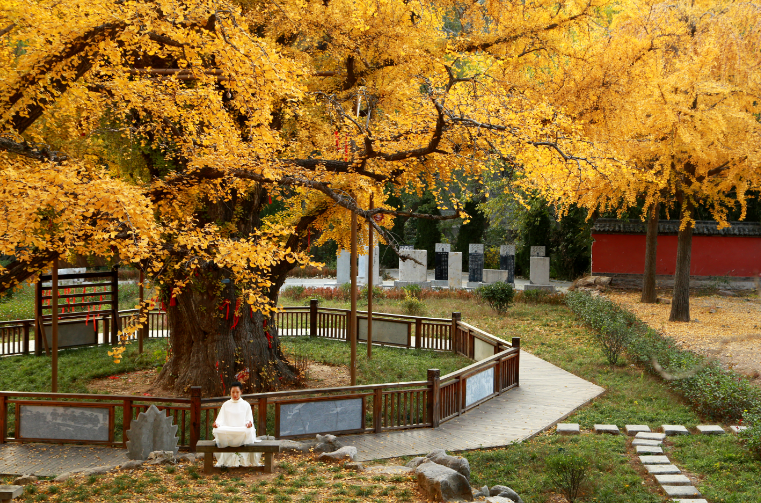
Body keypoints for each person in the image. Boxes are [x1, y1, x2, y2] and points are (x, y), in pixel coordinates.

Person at [211, 381, 261, 467]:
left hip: (241, 430)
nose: (235, 394)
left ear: (241, 392)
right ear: (230, 392)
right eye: (233, 392)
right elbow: (220, 420)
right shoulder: (226, 405)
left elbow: (249, 420)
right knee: (218, 430)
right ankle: (227, 461)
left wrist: (248, 424)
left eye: (237, 392)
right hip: (229, 430)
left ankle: (242, 461)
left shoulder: (246, 405)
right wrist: (217, 424)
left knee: (249, 430)